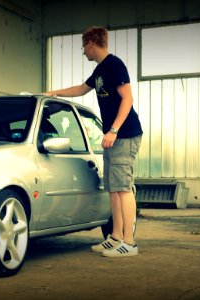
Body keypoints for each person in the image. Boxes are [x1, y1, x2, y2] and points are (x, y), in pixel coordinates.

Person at [43, 26, 143, 257]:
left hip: (125, 133)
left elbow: (127, 99)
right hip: (113, 135)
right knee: (112, 189)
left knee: (123, 188)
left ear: (90, 43)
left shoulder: (115, 65)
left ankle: (129, 242)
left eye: (83, 47)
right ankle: (116, 236)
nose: (83, 52)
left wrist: (114, 130)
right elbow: (81, 89)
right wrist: (54, 93)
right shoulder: (100, 70)